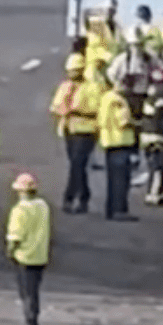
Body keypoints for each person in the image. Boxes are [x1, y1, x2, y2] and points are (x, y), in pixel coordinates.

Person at [50, 51, 100, 212]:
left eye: (75, 70)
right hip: (69, 130)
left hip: (86, 130)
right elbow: (55, 106)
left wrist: (74, 109)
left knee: (77, 164)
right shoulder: (65, 86)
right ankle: (82, 196)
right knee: (76, 165)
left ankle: (71, 197)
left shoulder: (91, 87)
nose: (72, 73)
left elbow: (95, 108)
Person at [5, 171, 51, 325]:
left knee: (27, 293)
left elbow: (15, 236)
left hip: (24, 256)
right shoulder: (43, 206)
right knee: (34, 291)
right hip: (40, 255)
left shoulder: (20, 210)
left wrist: (10, 250)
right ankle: (33, 324)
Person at [97, 76, 137, 218]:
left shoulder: (106, 98)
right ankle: (119, 210)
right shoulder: (117, 100)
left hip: (110, 142)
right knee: (121, 180)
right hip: (120, 141)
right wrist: (136, 123)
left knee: (113, 179)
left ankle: (111, 209)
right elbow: (123, 121)